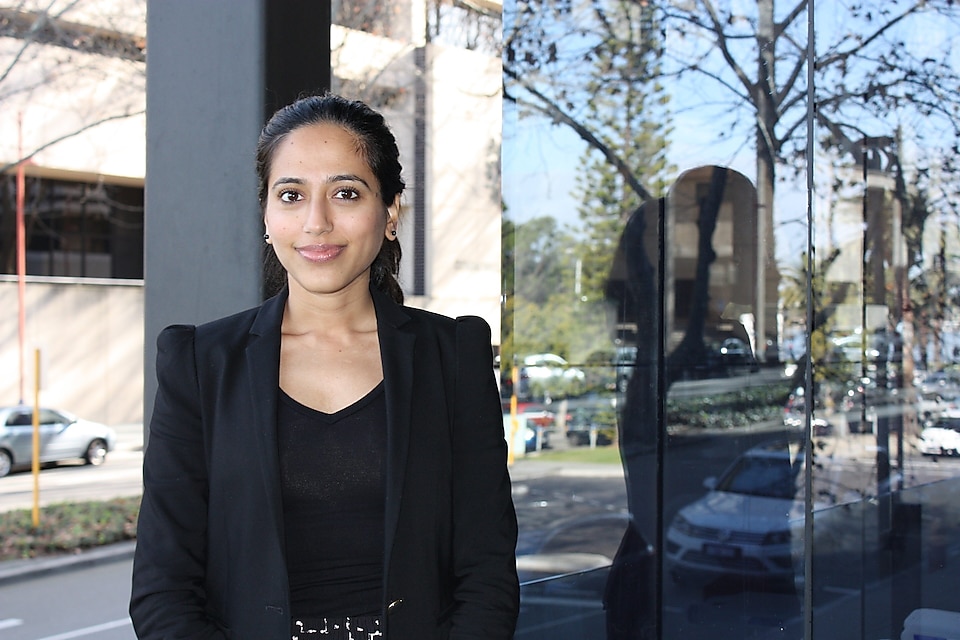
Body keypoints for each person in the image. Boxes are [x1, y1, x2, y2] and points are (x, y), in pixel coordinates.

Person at [130, 93, 520, 640]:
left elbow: (487, 573)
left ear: (390, 213)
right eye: (291, 195)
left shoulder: (452, 355)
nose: (317, 222)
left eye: (345, 192)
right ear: (267, 215)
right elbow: (163, 589)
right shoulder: (200, 363)